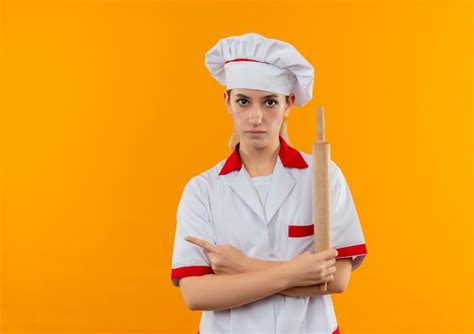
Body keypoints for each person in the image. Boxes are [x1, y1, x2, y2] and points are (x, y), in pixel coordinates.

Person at [170, 32, 368, 334]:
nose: (256, 117)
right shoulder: (202, 190)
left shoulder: (323, 175)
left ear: (289, 104)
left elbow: (337, 280)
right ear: (227, 101)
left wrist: (240, 266)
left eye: (270, 102)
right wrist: (298, 272)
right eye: (244, 101)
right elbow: (195, 294)